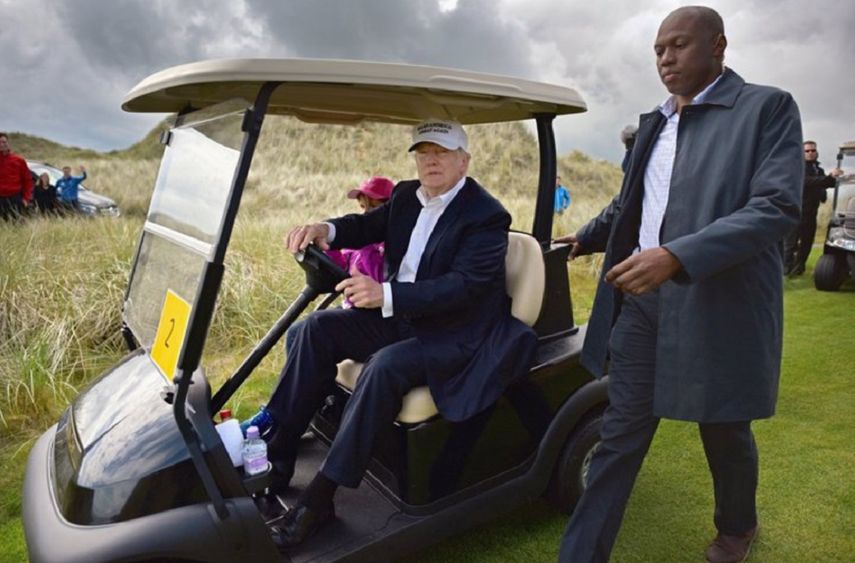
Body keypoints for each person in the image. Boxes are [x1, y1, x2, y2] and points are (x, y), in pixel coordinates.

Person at [555, 7, 802, 563]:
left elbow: (777, 206)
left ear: (718, 45)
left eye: (679, 45)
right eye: (658, 50)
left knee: (723, 428)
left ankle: (737, 528)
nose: (665, 58)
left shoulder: (767, 107)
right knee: (619, 436)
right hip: (644, 308)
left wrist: (677, 256)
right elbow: (633, 204)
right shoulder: (655, 123)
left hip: (718, 304)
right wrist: (586, 237)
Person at [264, 119, 537, 548]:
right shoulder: (408, 195)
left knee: (385, 366)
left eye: (442, 152)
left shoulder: (486, 215)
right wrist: (326, 229)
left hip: (458, 333)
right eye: (423, 151)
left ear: (463, 161)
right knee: (314, 329)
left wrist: (385, 293)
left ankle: (320, 500)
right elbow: (364, 227)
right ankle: (277, 458)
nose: (431, 160)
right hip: (403, 317)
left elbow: (462, 287)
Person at [325, 175, 395, 303]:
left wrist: (366, 245)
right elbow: (342, 268)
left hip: (374, 308)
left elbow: (381, 281)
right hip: (351, 305)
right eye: (363, 207)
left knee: (315, 321)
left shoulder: (390, 245)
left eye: (374, 208)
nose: (367, 213)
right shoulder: (356, 240)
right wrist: (330, 247)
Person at [783, 141, 843, 276]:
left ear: (816, 152)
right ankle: (785, 270)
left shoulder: (818, 169)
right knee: (790, 243)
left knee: (807, 242)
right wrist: (829, 177)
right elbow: (808, 181)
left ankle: (799, 268)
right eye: (807, 151)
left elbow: (825, 182)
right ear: (802, 153)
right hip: (796, 211)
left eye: (812, 150)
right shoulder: (798, 167)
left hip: (811, 212)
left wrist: (839, 178)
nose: (810, 153)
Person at [0, 132, 33, 220]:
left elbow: (28, 181)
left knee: (16, 226)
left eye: (4, 142)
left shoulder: (19, 160)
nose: (2, 144)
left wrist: (26, 199)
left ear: (8, 143)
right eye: (0, 142)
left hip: (15, 199)